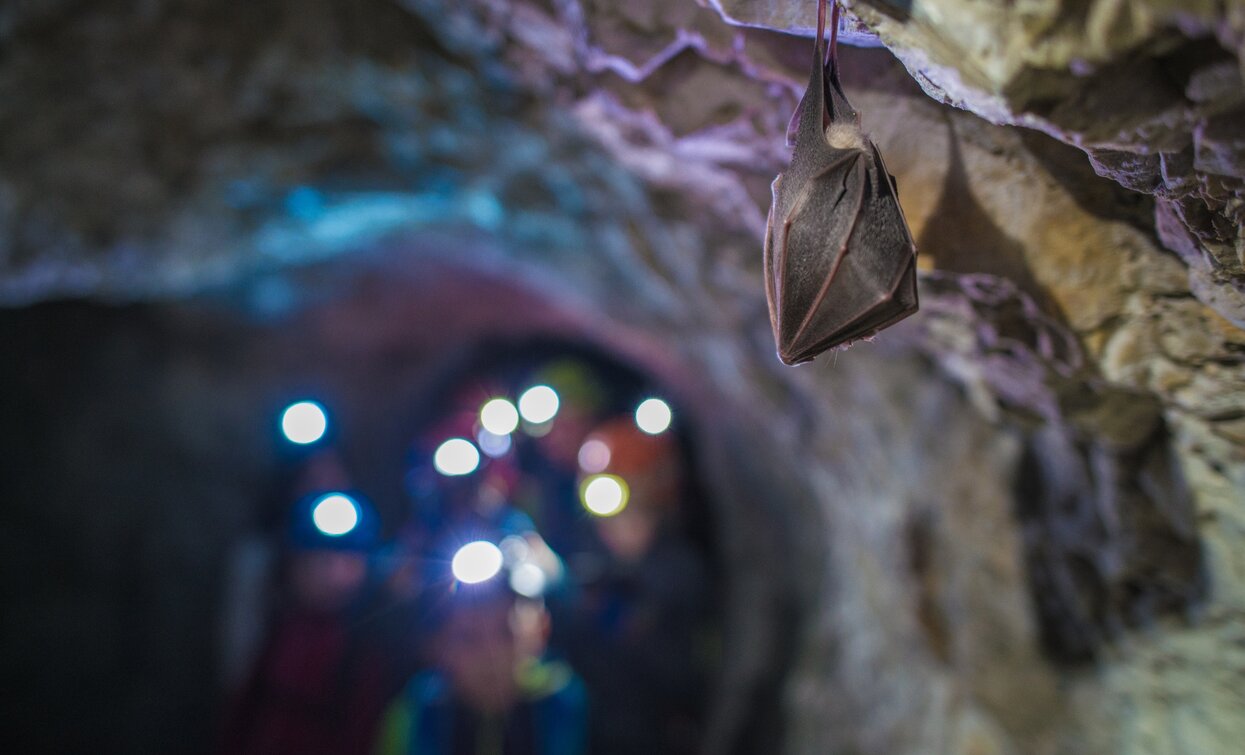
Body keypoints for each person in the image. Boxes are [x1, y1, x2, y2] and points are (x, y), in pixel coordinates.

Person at [558, 415, 711, 755]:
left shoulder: (678, 568)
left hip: (657, 725)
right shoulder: (582, 559)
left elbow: (676, 654)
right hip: (592, 725)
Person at [218, 486, 393, 755]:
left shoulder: (368, 649)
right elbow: (243, 717)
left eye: (348, 561)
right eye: (319, 560)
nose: (333, 574)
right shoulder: (278, 630)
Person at [374, 535, 586, 755]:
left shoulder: (567, 706)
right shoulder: (416, 714)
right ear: (436, 646)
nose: (490, 654)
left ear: (542, 630)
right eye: (469, 638)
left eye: (507, 633)